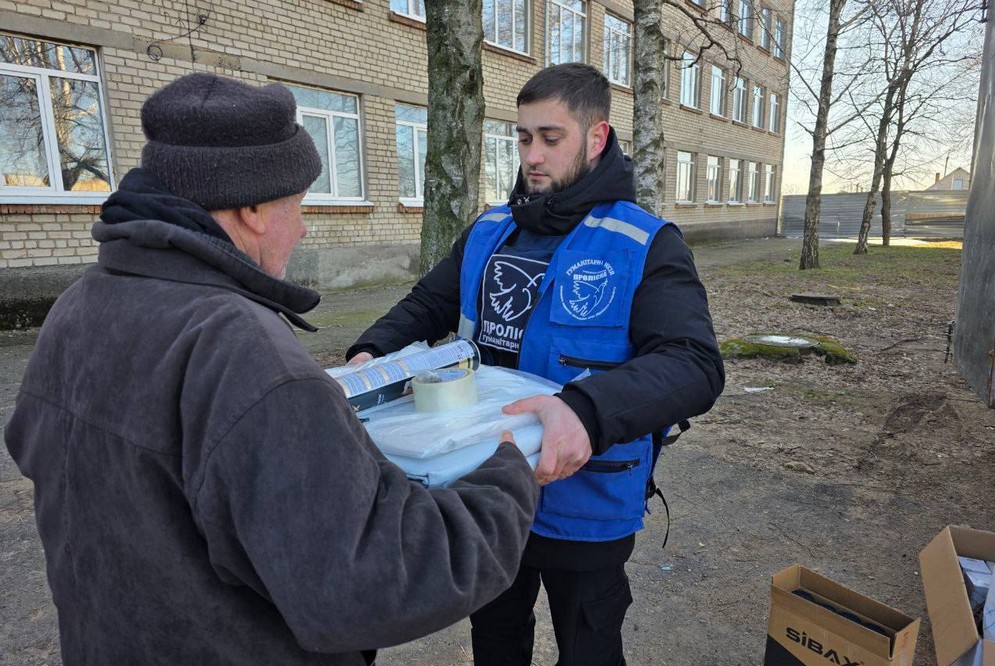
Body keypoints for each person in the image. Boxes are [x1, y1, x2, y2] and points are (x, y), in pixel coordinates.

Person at [3, 73, 539, 666]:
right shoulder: (248, 359)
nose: (304, 226)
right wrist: (508, 479)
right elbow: (377, 581)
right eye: (298, 203)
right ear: (253, 208)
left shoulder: (80, 304)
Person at [346, 63, 726, 665]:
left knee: (588, 646)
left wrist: (585, 409)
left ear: (596, 139)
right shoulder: (490, 231)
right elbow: (426, 305)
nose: (533, 155)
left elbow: (694, 364)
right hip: (486, 490)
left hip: (586, 497)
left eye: (551, 138)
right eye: (523, 138)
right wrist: (370, 354)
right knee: (495, 638)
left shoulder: (644, 242)